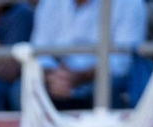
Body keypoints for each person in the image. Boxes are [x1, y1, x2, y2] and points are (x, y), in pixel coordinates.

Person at [17, 0, 146, 109]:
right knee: (21, 90)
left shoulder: (129, 4)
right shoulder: (50, 3)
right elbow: (40, 53)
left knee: (106, 90)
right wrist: (54, 76)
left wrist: (78, 78)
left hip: (100, 79)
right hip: (56, 77)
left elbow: (121, 64)